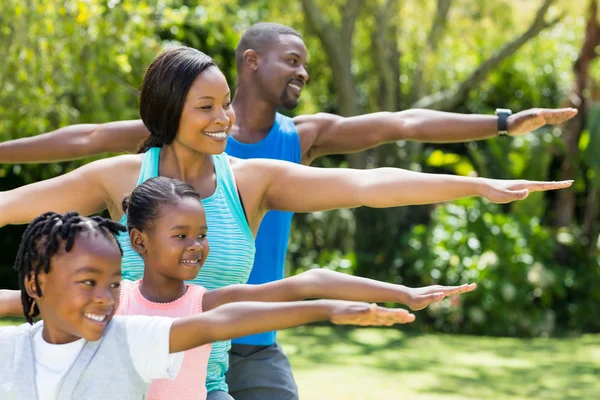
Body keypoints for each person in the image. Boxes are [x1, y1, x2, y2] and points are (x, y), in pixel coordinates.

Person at [0, 46, 573, 399]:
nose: (225, 117)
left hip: (205, 382)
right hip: (106, 378)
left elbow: (366, 187)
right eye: (207, 107)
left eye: (226, 102)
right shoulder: (118, 178)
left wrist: (475, 186)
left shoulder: (251, 181)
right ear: (169, 109)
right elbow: (11, 209)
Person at [0, 176, 477, 399]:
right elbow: (19, 303)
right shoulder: (109, 300)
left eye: (201, 234)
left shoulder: (203, 300)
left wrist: (402, 293)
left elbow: (302, 285)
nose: (197, 246)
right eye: (181, 236)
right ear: (139, 241)